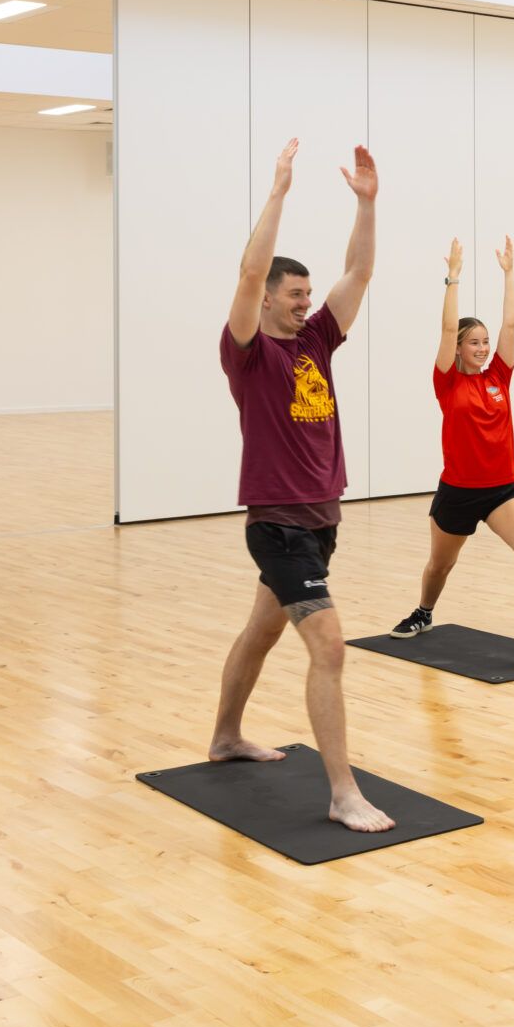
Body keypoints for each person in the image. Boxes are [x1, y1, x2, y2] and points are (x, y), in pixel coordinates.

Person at [208, 138, 393, 833]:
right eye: (295, 295)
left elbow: (360, 271)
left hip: (321, 519)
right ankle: (343, 792)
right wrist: (279, 191)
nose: (305, 304)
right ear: (267, 299)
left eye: (308, 296)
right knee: (329, 646)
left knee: (262, 630)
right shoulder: (248, 352)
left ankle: (226, 737)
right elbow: (250, 270)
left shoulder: (315, 340)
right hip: (279, 524)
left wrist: (367, 204)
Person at [383, 236, 514, 672]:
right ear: (459, 348)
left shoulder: (499, 375)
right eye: (474, 343)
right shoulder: (447, 382)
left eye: (485, 342)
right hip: (458, 491)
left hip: (502, 490)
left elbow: (511, 326)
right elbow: (445, 330)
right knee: (440, 566)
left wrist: (509, 274)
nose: (483, 348)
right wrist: (453, 278)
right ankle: (424, 611)